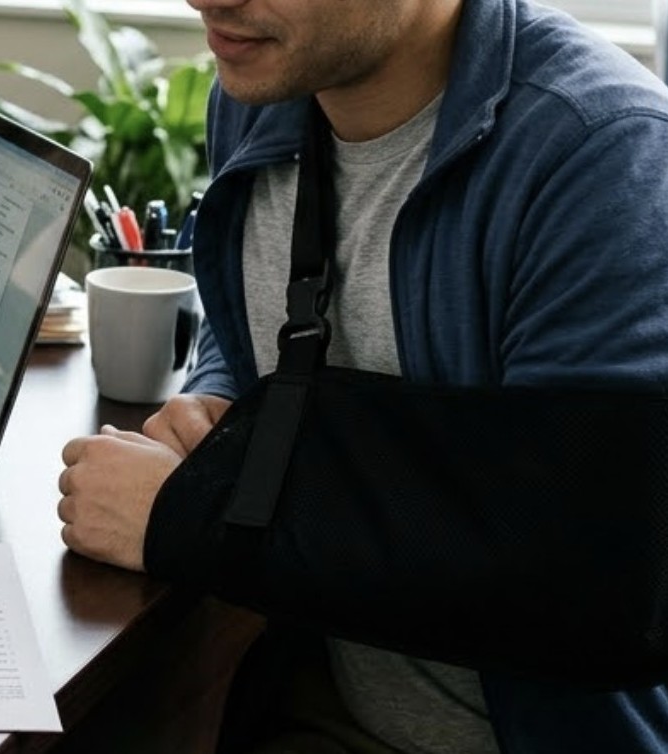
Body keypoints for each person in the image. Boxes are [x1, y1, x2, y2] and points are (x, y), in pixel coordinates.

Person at [55, 0, 668, 749]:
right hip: (310, 700)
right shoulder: (264, 93)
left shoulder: (606, 156)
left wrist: (192, 515)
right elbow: (242, 304)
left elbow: (595, 587)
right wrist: (217, 398)